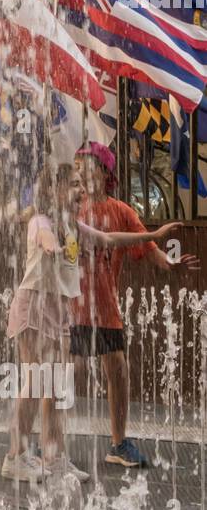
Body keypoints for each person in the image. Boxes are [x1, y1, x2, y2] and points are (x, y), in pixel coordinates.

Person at [3, 162, 180, 482]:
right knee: (37, 381)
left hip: (57, 310)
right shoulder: (41, 221)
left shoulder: (74, 226)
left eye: (81, 185)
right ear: (54, 190)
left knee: (55, 386)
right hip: (33, 307)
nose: (81, 191)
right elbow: (43, 237)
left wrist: (152, 234)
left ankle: (54, 459)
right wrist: (51, 245)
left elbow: (110, 239)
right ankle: (15, 456)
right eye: (73, 185)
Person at [70, 141, 198, 469]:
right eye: (78, 166)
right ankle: (49, 442)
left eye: (87, 165)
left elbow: (151, 251)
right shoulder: (72, 208)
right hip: (73, 305)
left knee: (117, 369)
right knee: (66, 371)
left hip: (107, 306)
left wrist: (171, 265)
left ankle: (118, 443)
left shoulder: (122, 212)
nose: (81, 172)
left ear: (104, 171)